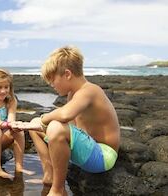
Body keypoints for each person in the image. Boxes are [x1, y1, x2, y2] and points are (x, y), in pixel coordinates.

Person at [11, 46, 120, 196]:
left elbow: (65, 115)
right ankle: (49, 175)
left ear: (67, 74)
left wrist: (43, 121)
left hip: (102, 156)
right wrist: (36, 124)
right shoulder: (72, 95)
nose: (52, 86)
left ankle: (58, 190)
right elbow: (72, 128)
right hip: (87, 149)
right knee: (35, 125)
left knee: (51, 125)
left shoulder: (90, 90)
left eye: (52, 81)